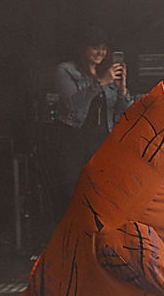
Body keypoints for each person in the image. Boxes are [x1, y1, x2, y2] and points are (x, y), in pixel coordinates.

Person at [42, 26, 134, 221]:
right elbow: (73, 104)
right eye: (95, 47)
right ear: (83, 48)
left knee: (102, 193)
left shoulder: (107, 73)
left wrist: (122, 89)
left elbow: (123, 114)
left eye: (103, 48)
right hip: (73, 140)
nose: (101, 52)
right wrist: (100, 82)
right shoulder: (65, 70)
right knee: (72, 193)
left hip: (102, 141)